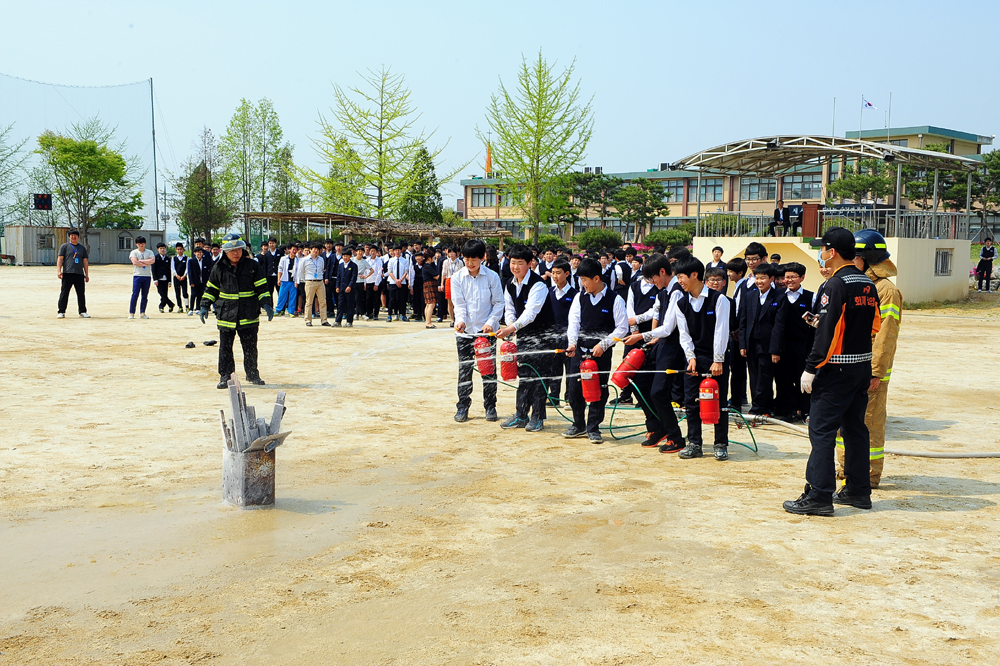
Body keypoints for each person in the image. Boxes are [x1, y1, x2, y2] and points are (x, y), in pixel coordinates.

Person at [783, 227, 881, 516]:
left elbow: (827, 331)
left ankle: (819, 494)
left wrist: (811, 367)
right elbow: (873, 324)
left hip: (835, 368)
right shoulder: (866, 282)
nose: (821, 255)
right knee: (855, 429)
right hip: (860, 366)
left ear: (832, 252)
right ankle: (858, 490)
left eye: (822, 249)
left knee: (822, 431)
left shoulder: (834, 285)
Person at [836, 229, 902, 490]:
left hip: (872, 371)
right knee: (846, 423)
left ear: (865, 258)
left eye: (855, 256)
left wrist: (876, 372)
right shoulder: (860, 283)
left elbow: (886, 336)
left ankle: (869, 474)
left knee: (870, 423)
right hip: (851, 366)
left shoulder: (886, 290)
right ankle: (846, 469)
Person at [623, 254, 687, 451]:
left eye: (652, 278)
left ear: (662, 272)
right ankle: (656, 427)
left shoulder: (676, 291)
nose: (652, 283)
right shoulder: (662, 292)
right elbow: (657, 316)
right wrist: (650, 340)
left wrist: (641, 336)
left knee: (658, 391)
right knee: (635, 379)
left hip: (675, 346)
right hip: (660, 343)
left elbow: (668, 328)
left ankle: (675, 436)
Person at [670, 256, 731, 460]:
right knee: (691, 401)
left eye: (681, 276)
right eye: (677, 277)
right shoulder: (681, 303)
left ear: (694, 275)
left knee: (718, 401)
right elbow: (684, 334)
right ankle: (694, 443)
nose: (679, 281)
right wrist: (690, 357)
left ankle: (721, 443)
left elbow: (721, 331)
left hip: (716, 358)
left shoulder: (719, 299)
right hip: (694, 359)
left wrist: (718, 359)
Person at [563, 257, 629, 443]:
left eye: (585, 280)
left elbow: (622, 328)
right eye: (580, 280)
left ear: (597, 279)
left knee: (598, 390)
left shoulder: (614, 299)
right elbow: (573, 323)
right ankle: (578, 425)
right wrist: (572, 343)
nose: (582, 284)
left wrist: (604, 344)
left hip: (601, 353)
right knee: (574, 389)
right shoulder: (579, 297)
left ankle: (594, 427)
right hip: (579, 352)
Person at [199, 234, 273, 388]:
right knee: (225, 348)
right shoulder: (218, 268)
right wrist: (204, 305)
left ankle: (253, 374)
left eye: (238, 249)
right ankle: (226, 377)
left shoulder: (253, 266)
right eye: (232, 250)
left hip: (248, 314)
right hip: (226, 314)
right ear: (224, 251)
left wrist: (266, 304)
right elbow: (211, 289)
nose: (236, 253)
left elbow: (262, 287)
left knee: (250, 347)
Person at [496, 245, 556, 433]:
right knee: (524, 376)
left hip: (543, 337)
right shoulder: (509, 283)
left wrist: (511, 328)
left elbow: (531, 313)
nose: (515, 267)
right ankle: (521, 415)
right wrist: (511, 326)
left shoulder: (539, 284)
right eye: (512, 263)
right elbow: (510, 308)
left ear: (529, 264)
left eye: (519, 263)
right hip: (524, 335)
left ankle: (537, 417)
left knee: (539, 377)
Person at [451, 239, 505, 423]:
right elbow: (459, 305)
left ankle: (490, 406)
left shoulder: (492, 277)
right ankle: (462, 407)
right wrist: (460, 321)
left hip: (486, 333)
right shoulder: (457, 278)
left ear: (482, 258)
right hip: (465, 333)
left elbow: (499, 303)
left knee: (488, 370)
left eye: (474, 259)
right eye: (466, 258)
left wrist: (490, 323)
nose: (470, 263)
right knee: (465, 370)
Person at [770, 262, 814, 422]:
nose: (788, 280)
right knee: (784, 380)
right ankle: (788, 411)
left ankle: (805, 411)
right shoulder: (778, 295)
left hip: (803, 346)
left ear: (802, 277)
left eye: (793, 277)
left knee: (802, 379)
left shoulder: (811, 297)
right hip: (783, 347)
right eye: (786, 277)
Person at [739, 262, 782, 415]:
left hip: (769, 345)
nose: (759, 282)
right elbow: (743, 321)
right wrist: (742, 344)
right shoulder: (749, 295)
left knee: (765, 377)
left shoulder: (779, 297)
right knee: (754, 376)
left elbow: (779, 326)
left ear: (771, 279)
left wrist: (775, 349)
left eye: (763, 278)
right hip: (752, 344)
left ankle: (759, 408)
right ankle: (764, 406)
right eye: (757, 278)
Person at [547, 259, 578, 407]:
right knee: (554, 368)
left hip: (568, 337)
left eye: (558, 273)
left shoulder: (575, 295)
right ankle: (554, 397)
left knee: (570, 369)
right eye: (553, 273)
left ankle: (569, 398)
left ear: (567, 273)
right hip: (553, 337)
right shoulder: (549, 293)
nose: (555, 276)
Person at [55, 229, 91, 319]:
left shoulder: (82, 248)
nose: (73, 237)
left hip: (79, 273)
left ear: (78, 237)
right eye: (72, 235)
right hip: (67, 273)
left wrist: (87, 274)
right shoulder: (64, 247)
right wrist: (59, 271)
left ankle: (82, 311)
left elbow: (85, 261)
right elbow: (60, 259)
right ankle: (61, 311)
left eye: (75, 235)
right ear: (69, 237)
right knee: (64, 293)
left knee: (81, 293)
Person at [301, 243, 330, 327]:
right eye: (314, 249)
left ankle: (324, 320)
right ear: (310, 249)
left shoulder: (321, 259)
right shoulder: (305, 259)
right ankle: (308, 320)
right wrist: (306, 280)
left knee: (323, 301)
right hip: (310, 282)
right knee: (309, 302)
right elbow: (301, 271)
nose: (316, 251)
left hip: (320, 282)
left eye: (318, 249)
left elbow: (321, 269)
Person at [128, 236, 156, 319]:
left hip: (147, 276)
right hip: (137, 275)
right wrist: (146, 262)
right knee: (135, 294)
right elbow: (135, 262)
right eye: (139, 243)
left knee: (145, 295)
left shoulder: (149, 252)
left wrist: (141, 261)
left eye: (143, 243)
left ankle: (142, 312)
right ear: (136, 244)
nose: (141, 245)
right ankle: (131, 312)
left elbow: (152, 261)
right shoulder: (134, 252)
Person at [387, 245, 411, 322]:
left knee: (402, 299)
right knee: (392, 299)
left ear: (401, 251)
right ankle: (390, 315)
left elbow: (406, 271)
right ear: (393, 251)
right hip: (393, 282)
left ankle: (403, 314)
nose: (397, 252)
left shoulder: (405, 261)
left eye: (399, 250)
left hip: (402, 282)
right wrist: (396, 280)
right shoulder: (391, 260)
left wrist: (400, 280)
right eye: (396, 250)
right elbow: (389, 272)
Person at [335, 248, 359, 327]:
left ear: (350, 256)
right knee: (340, 305)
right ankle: (338, 321)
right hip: (341, 288)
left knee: (349, 305)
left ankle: (349, 321)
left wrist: (350, 286)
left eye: (347, 256)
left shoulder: (354, 265)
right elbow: (338, 277)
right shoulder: (341, 265)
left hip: (350, 289)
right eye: (344, 256)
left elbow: (354, 277)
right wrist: (337, 286)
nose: (345, 258)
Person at [152, 242, 175, 313]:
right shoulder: (155, 258)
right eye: (161, 248)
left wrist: (170, 281)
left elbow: (169, 270)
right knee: (161, 292)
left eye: (163, 248)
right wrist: (155, 279)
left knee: (165, 294)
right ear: (158, 249)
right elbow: (153, 269)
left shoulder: (168, 258)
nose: (162, 250)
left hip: (166, 279)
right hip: (159, 279)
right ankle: (170, 304)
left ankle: (162, 306)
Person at [275, 245, 297, 316]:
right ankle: (278, 310)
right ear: (289, 249)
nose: (294, 251)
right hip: (284, 280)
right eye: (293, 249)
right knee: (282, 296)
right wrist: (279, 279)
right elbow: (280, 269)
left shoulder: (298, 260)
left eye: (296, 250)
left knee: (293, 297)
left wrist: (297, 281)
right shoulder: (283, 259)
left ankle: (291, 311)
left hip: (294, 281)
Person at [421, 249, 440, 328]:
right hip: (430, 284)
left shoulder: (427, 265)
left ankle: (427, 321)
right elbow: (436, 276)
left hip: (427, 284)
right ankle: (428, 322)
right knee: (431, 303)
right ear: (429, 258)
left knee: (428, 304)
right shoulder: (427, 266)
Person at [172, 243, 189, 313]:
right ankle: (180, 307)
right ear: (176, 250)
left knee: (185, 292)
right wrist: (176, 275)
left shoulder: (187, 258)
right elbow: (172, 268)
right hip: (176, 278)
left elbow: (187, 268)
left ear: (183, 249)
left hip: (184, 278)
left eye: (181, 249)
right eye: (178, 249)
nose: (179, 251)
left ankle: (187, 306)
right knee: (177, 293)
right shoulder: (174, 258)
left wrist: (184, 275)